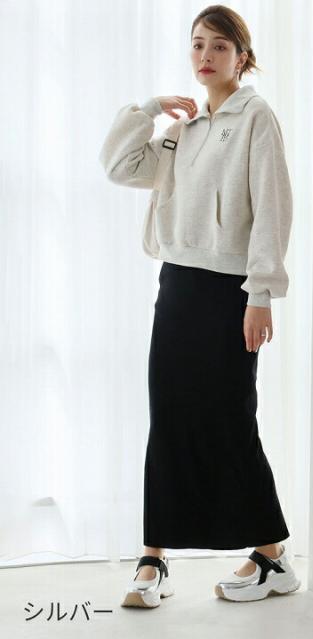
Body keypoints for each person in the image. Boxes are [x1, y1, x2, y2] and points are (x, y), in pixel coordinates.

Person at [98, 4, 299, 607]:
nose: (205, 56)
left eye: (219, 46)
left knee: (230, 420)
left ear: (242, 56)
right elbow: (120, 168)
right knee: (170, 418)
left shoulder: (256, 117)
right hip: (178, 285)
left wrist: (261, 294)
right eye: (197, 45)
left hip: (231, 291)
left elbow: (272, 207)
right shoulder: (183, 128)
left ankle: (272, 556)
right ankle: (153, 558)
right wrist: (148, 110)